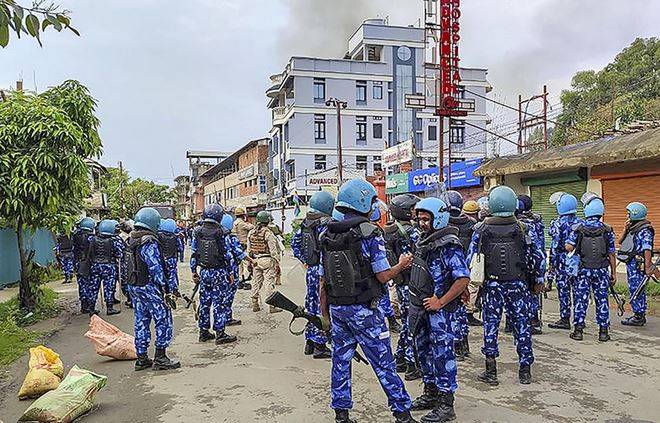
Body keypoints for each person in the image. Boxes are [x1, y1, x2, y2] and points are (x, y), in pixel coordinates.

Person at [319, 179, 417, 423]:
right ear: (362, 201)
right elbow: (383, 275)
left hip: (338, 309)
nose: (375, 204)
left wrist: (325, 316)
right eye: (373, 200)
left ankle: (341, 415)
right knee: (384, 364)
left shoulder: (327, 233)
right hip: (365, 311)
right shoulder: (371, 233)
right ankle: (402, 414)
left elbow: (323, 281)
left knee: (340, 362)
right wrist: (402, 265)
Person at [468, 186, 545, 386]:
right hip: (518, 284)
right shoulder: (522, 228)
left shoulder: (481, 229)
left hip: (492, 286)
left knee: (491, 326)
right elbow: (538, 258)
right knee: (522, 326)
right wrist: (538, 280)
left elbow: (471, 258)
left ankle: (491, 371)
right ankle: (525, 371)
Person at [408, 197, 470, 423]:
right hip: (422, 309)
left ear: (439, 218)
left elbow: (462, 278)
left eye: (427, 219)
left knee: (443, 356)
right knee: (423, 353)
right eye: (420, 219)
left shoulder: (449, 244)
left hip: (440, 314)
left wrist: (441, 302)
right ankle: (431, 393)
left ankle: (446, 404)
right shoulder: (423, 241)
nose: (422, 223)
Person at [126, 207, 180, 371]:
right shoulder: (148, 242)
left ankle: (141, 358)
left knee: (141, 320)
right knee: (163, 319)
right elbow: (155, 267)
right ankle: (160, 357)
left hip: (135, 286)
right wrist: (166, 289)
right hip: (150, 286)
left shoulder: (132, 240)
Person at [565, 193, 616, 341]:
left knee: (581, 299)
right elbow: (612, 254)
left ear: (587, 210)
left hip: (583, 270)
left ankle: (578, 331)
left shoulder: (578, 228)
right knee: (602, 300)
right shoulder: (607, 230)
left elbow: (568, 247)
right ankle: (603, 332)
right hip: (601, 270)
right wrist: (613, 273)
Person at [291, 191, 335, 359]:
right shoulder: (326, 224)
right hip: (322, 272)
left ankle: (309, 342)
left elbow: (295, 244)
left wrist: (306, 261)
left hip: (311, 270)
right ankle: (320, 344)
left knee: (311, 304)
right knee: (322, 306)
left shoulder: (306, 223)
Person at [384, 193, 421, 381]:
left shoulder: (389, 229)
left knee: (407, 323)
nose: (417, 213)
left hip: (400, 283)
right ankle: (412, 365)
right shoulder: (411, 232)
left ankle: (399, 359)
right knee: (413, 324)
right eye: (414, 209)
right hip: (412, 283)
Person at [191, 204, 238, 344]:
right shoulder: (221, 232)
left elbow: (194, 253)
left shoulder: (198, 231)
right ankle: (220, 333)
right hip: (219, 272)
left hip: (204, 271)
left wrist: (194, 271)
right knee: (219, 303)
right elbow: (227, 254)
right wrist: (230, 272)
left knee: (205, 302)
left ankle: (203, 332)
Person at [446, 190, 475, 361]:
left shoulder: (442, 225)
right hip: (465, 272)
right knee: (462, 307)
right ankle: (463, 346)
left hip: (447, 274)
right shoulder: (472, 225)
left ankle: (455, 346)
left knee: (449, 312)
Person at [547, 192, 582, 330]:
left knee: (564, 291)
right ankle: (579, 320)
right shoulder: (581, 222)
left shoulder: (558, 223)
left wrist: (551, 268)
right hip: (578, 261)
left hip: (562, 262)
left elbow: (555, 247)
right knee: (578, 291)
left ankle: (565, 319)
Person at [619, 202, 655, 327]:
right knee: (633, 288)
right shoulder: (633, 227)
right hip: (631, 263)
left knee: (638, 289)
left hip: (638, 265)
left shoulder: (645, 230)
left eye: (629, 213)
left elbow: (647, 249)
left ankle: (639, 316)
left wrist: (648, 267)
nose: (627, 215)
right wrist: (625, 230)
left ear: (635, 213)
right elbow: (620, 241)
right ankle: (638, 313)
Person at [515, 194, 546, 335]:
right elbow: (541, 246)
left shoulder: (516, 223)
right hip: (535, 261)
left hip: (519, 263)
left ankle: (517, 322)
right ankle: (534, 321)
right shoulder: (537, 221)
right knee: (534, 292)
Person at [248, 211, 282, 313]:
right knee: (269, 283)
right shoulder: (268, 234)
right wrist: (277, 263)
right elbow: (273, 251)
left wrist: (250, 262)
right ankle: (272, 306)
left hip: (255, 260)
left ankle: (255, 304)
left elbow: (249, 251)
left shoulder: (251, 233)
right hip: (267, 260)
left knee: (256, 283)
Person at [221, 213, 251, 327]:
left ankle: (204, 329)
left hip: (215, 271)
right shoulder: (230, 238)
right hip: (230, 271)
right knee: (228, 296)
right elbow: (237, 253)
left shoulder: (213, 235)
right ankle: (226, 319)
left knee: (217, 298)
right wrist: (251, 261)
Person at [88, 219, 124, 316]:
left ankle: (91, 309)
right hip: (109, 267)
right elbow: (120, 254)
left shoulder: (92, 239)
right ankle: (110, 308)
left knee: (94, 288)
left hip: (95, 266)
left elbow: (89, 252)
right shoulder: (113, 241)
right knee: (109, 288)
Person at [72, 217, 96, 314]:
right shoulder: (91, 237)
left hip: (78, 262)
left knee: (82, 285)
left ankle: (84, 305)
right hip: (88, 262)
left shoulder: (75, 236)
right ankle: (89, 306)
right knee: (90, 284)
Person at [158, 218, 184, 295]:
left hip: (162, 259)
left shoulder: (159, 236)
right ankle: (173, 291)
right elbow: (180, 248)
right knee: (172, 276)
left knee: (163, 274)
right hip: (172, 259)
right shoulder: (176, 237)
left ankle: (164, 290)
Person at [233, 206, 254, 289]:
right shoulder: (242, 223)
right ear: (243, 215)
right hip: (244, 245)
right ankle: (244, 280)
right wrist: (248, 222)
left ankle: (239, 280)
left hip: (237, 245)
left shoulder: (234, 223)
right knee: (246, 264)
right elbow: (252, 227)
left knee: (239, 265)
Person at [117, 220, 134, 308]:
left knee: (126, 281)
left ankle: (130, 299)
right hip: (126, 262)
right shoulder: (123, 238)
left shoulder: (124, 237)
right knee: (127, 280)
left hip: (125, 262)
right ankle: (130, 298)